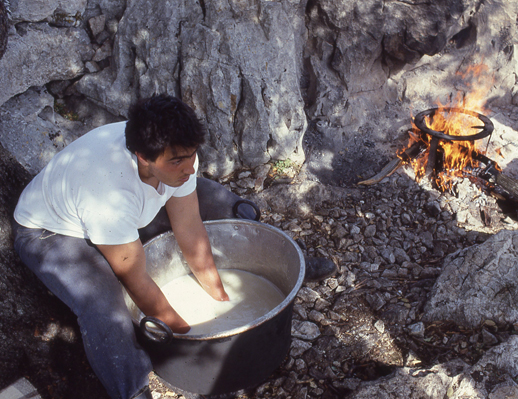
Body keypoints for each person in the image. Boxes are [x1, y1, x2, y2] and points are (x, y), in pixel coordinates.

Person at [12, 94, 336, 399]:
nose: (189, 166)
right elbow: (135, 278)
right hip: (51, 234)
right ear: (143, 156)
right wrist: (191, 335)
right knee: (104, 303)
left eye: (192, 155)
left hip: (133, 206)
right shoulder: (107, 198)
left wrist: (221, 299)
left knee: (229, 208)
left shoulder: (176, 155)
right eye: (178, 161)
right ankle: (132, 387)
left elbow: (190, 229)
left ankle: (289, 267)